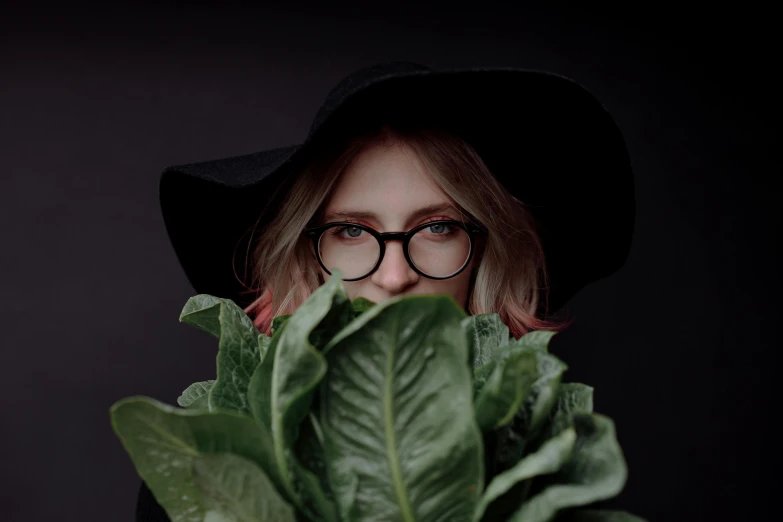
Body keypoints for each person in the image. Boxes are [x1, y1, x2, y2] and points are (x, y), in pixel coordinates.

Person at [137, 61, 634, 521]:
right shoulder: (202, 464)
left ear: (484, 252)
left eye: (437, 227)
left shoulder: (554, 464)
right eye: (351, 231)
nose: (394, 276)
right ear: (305, 255)